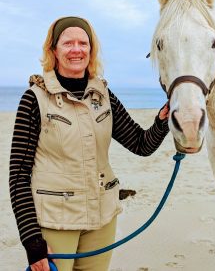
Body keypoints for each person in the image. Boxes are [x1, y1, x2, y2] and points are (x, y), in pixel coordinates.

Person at [9, 16, 169, 271]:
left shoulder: (103, 95)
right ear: (53, 50)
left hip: (101, 219)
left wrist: (163, 121)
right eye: (67, 43)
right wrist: (32, 241)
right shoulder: (34, 99)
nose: (76, 49)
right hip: (56, 222)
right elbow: (18, 176)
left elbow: (141, 144)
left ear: (91, 50)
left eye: (83, 43)